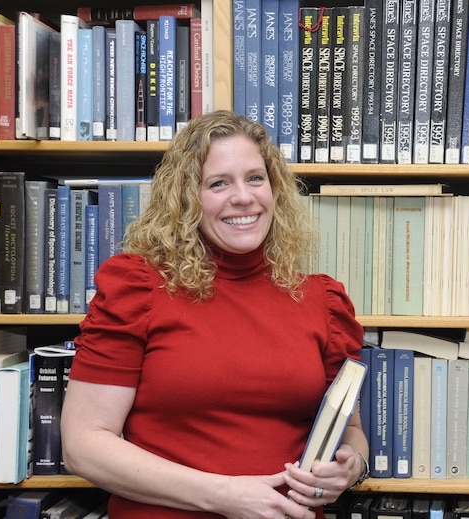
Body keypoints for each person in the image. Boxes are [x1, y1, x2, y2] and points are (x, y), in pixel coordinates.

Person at [61, 111, 369, 519]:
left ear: (274, 189)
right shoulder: (139, 289)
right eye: (219, 183)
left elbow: (350, 432)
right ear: (187, 198)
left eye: (255, 178)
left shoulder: (322, 301)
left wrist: (350, 468)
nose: (243, 197)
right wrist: (224, 496)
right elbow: (83, 446)